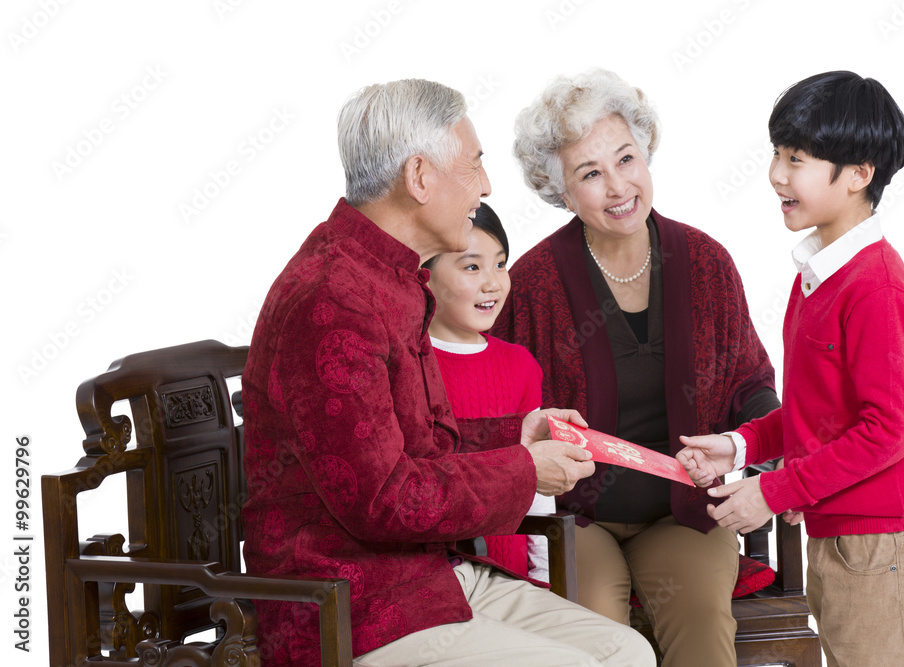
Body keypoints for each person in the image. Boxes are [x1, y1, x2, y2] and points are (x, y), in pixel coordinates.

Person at [240, 77, 655, 667]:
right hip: (351, 604)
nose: (485, 186)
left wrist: (517, 436)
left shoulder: (385, 275)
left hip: (427, 576)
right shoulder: (332, 300)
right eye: (474, 166)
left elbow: (408, 449)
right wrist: (524, 470)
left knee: (626, 652)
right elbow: (385, 500)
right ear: (419, 177)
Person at [491, 69, 779, 666]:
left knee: (700, 623)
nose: (617, 186)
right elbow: (501, 405)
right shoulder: (534, 283)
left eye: (626, 159)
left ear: (647, 156)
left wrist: (770, 456)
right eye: (589, 173)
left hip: (683, 510)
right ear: (561, 191)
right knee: (595, 636)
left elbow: (752, 384)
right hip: (581, 515)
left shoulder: (704, 261)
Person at [678, 71, 904, 667]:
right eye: (776, 154)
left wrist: (771, 493)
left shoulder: (876, 291)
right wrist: (739, 444)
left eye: (797, 158)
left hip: (886, 543)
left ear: (859, 174)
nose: (778, 174)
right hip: (845, 534)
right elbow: (821, 414)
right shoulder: (821, 274)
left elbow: (889, 431)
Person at [424, 202, 555, 582]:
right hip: (436, 580)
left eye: (500, 264)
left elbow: (537, 481)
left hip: (513, 578)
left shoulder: (520, 365)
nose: (493, 283)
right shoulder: (409, 361)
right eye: (471, 267)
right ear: (425, 276)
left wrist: (545, 576)